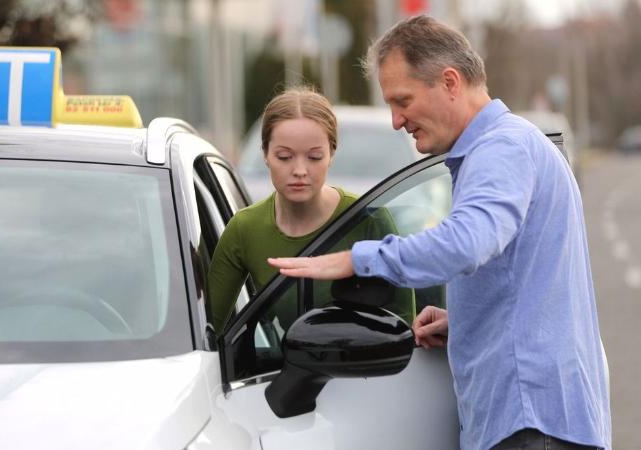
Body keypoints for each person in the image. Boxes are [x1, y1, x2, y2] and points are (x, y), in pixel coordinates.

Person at [268, 15, 611, 450]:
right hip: (532, 421)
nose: (396, 120)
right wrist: (464, 321)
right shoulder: (510, 145)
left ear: (450, 82)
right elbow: (530, 286)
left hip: (529, 425)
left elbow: (467, 242)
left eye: (402, 100)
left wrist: (358, 258)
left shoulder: (500, 150)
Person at [208, 87, 414, 334]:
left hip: (366, 371)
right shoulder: (244, 229)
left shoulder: (369, 219)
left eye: (314, 157)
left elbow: (404, 328)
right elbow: (209, 333)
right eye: (284, 157)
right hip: (283, 372)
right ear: (265, 154)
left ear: (331, 154)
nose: (300, 170)